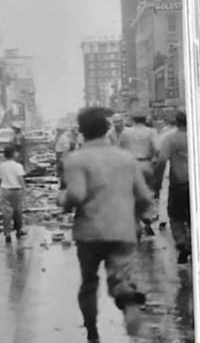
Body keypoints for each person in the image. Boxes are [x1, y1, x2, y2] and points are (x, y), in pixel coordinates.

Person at [58, 107, 152, 341]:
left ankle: (92, 331)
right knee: (120, 276)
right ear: (106, 129)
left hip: (89, 231)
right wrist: (134, 218)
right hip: (122, 229)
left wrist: (62, 201)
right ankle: (128, 300)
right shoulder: (125, 158)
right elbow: (144, 197)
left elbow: (76, 194)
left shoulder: (76, 158)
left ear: (82, 131)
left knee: (89, 282)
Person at [154, 110, 190, 264]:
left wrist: (157, 184)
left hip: (179, 184)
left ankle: (182, 242)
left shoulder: (170, 139)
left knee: (175, 216)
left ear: (176, 122)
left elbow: (162, 161)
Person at [118, 108, 158, 236]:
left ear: (132, 119)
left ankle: (135, 224)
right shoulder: (152, 132)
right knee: (148, 192)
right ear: (145, 119)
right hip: (147, 164)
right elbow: (157, 149)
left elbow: (119, 151)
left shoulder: (125, 133)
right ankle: (147, 217)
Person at [0, 145, 27, 243]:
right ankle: (19, 230)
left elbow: (0, 177)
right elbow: (20, 179)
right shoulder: (18, 166)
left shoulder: (2, 165)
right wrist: (24, 190)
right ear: (14, 154)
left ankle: (7, 233)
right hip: (16, 190)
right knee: (18, 211)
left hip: (5, 190)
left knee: (6, 213)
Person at [154, 115, 178, 230]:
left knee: (165, 195)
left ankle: (163, 219)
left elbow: (159, 153)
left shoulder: (166, 135)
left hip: (169, 170)